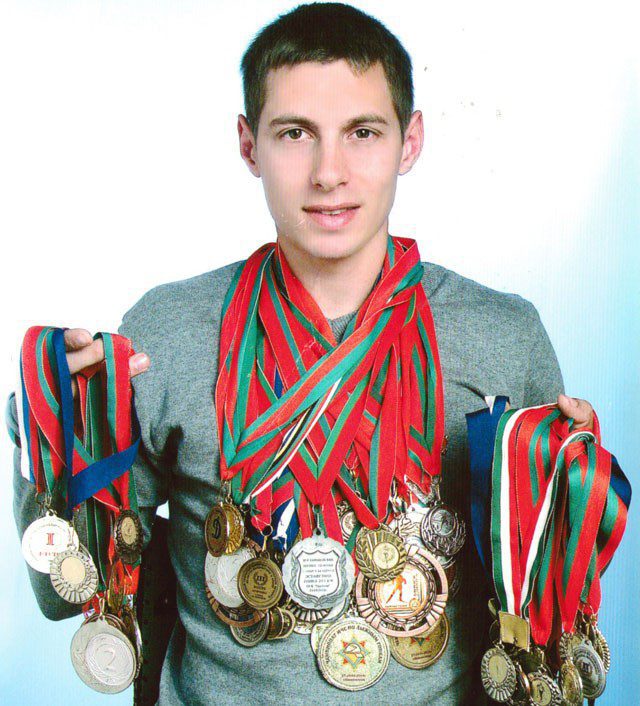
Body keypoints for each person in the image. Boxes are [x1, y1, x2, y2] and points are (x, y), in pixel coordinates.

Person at [10, 3, 596, 704]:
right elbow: (67, 591)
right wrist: (48, 430)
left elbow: (547, 602)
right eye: (294, 134)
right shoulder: (166, 331)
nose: (328, 172)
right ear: (248, 145)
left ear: (410, 142)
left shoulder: (503, 335)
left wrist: (573, 497)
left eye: (363, 133)